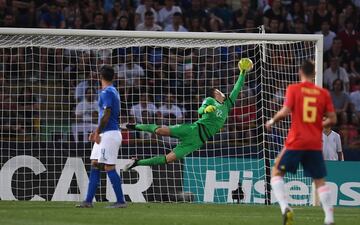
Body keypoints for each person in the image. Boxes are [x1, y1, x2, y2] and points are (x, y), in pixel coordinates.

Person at [122, 58, 252, 171]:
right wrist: (206, 110)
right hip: (193, 129)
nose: (222, 93)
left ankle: (137, 162)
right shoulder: (210, 100)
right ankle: (135, 126)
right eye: (219, 91)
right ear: (215, 94)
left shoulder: (227, 104)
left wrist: (242, 72)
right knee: (160, 131)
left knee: (168, 159)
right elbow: (200, 110)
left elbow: (237, 88)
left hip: (197, 141)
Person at [265, 60, 337, 225]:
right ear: (314, 74)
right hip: (314, 142)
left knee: (276, 173)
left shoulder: (294, 89)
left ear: (300, 72)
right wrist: (318, 124)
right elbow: (333, 118)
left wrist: (271, 121)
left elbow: (284, 112)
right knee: (319, 180)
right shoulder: (323, 93)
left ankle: (285, 208)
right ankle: (329, 218)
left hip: (296, 140)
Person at [77, 65, 126, 208]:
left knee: (109, 167)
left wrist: (97, 131)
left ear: (100, 77)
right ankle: (88, 201)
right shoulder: (113, 91)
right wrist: (98, 131)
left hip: (109, 134)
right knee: (95, 164)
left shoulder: (106, 92)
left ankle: (121, 201)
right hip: (106, 133)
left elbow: (107, 113)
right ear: (114, 77)